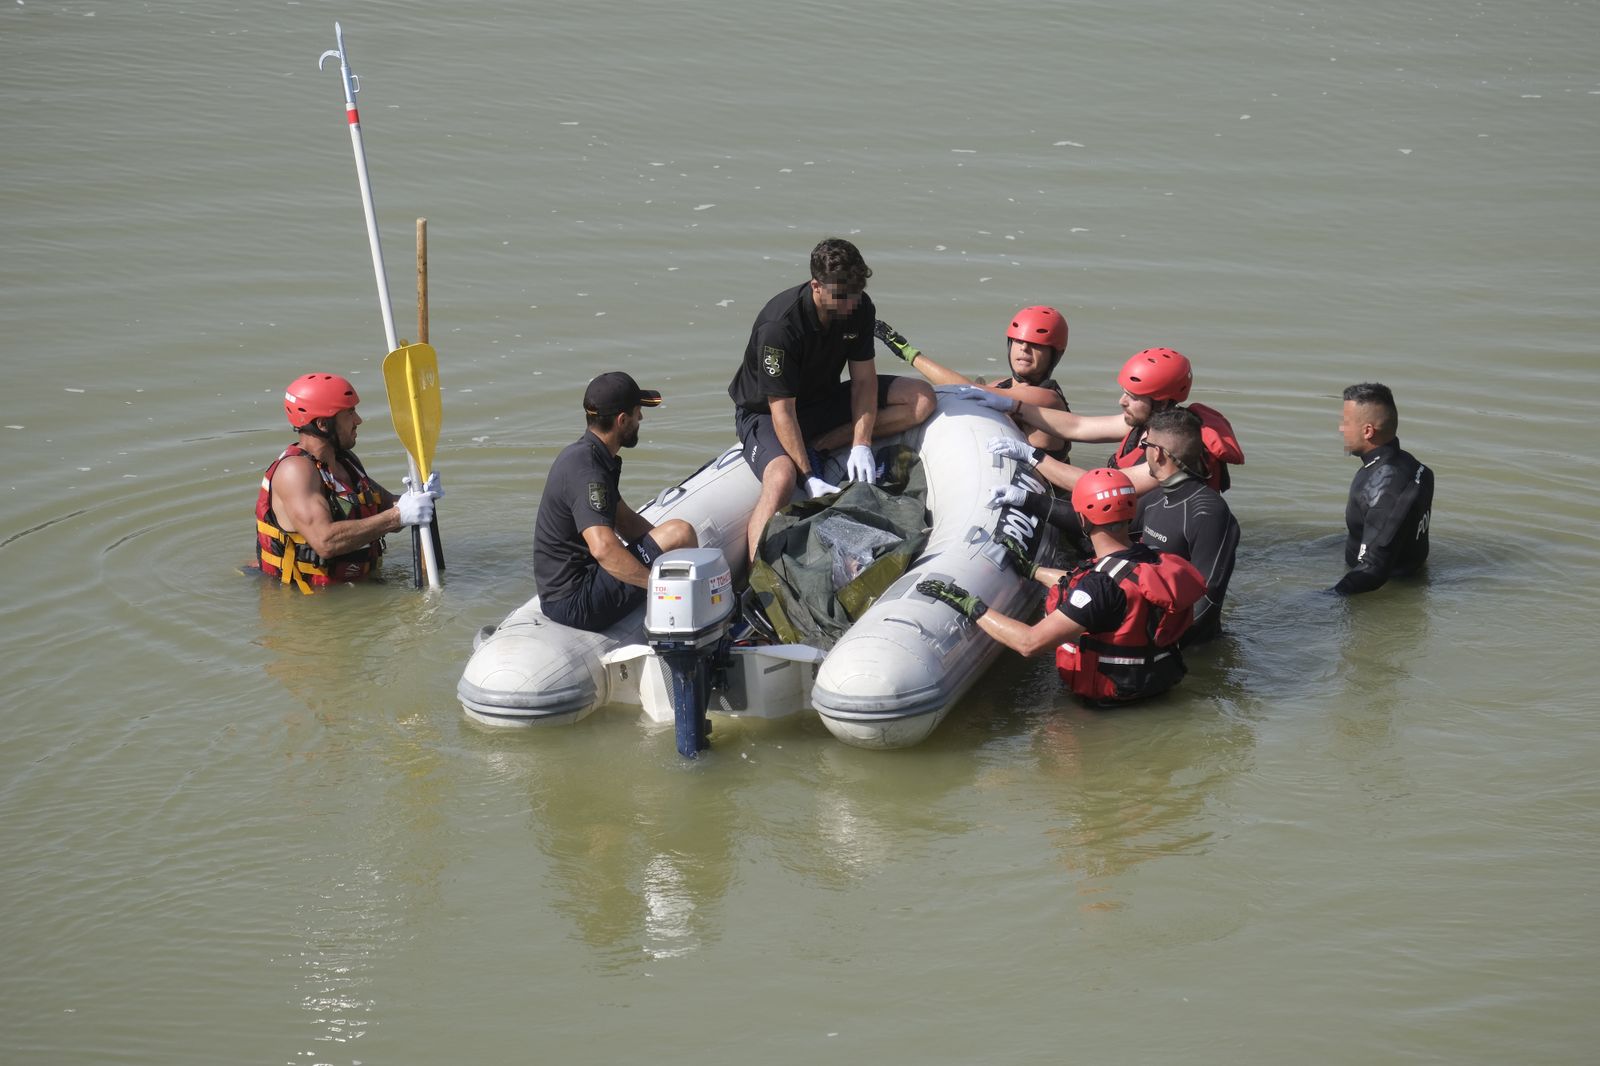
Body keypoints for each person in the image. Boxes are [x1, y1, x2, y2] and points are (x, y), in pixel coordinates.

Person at [918, 467, 1208, 707]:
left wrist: (970, 606)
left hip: (1108, 708)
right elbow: (1109, 591)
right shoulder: (1151, 556)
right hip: (1158, 689)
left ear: (1082, 519)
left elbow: (1029, 643)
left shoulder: (1100, 586)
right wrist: (1033, 570)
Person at [728, 237, 936, 561]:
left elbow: (863, 381)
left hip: (822, 399)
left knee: (921, 399)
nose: (850, 304)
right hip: (766, 414)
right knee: (782, 476)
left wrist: (861, 444)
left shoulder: (859, 307)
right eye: (841, 296)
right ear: (816, 286)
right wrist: (809, 477)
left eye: (855, 294)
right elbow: (781, 410)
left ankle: (827, 444)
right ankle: (756, 574)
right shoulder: (780, 328)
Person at [534, 371, 698, 632]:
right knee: (681, 532)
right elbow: (603, 549)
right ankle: (692, 611)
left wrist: (662, 548)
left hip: (564, 593)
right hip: (575, 601)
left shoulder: (586, 455)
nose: (641, 418)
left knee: (672, 537)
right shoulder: (589, 473)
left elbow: (626, 521)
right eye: (637, 412)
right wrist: (658, 586)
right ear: (622, 420)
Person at [255, 372, 439, 593]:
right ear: (323, 424)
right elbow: (325, 542)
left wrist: (419, 497)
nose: (358, 420)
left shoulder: (345, 461)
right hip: (308, 602)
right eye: (350, 413)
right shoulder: (295, 472)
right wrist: (399, 514)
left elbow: (387, 507)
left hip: (355, 586)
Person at [980, 347, 1244, 496]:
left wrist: (1032, 455)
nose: (1122, 401)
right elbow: (1077, 426)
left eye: (1133, 397)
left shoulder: (1171, 453)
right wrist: (1013, 405)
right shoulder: (1144, 422)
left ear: (1162, 402)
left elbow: (1103, 488)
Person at [873, 306, 1073, 457]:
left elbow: (966, 388)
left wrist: (907, 352)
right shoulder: (1002, 385)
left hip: (1047, 497)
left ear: (1055, 354)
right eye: (1018, 341)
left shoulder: (1047, 398)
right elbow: (971, 391)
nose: (1024, 349)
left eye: (1036, 345)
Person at [1334, 382, 1433, 595]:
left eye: (1346, 422)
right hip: (1411, 578)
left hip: (1389, 594)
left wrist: (1319, 601)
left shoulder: (1385, 490)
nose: (1341, 428)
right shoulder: (1415, 467)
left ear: (1368, 431)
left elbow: (1374, 570)